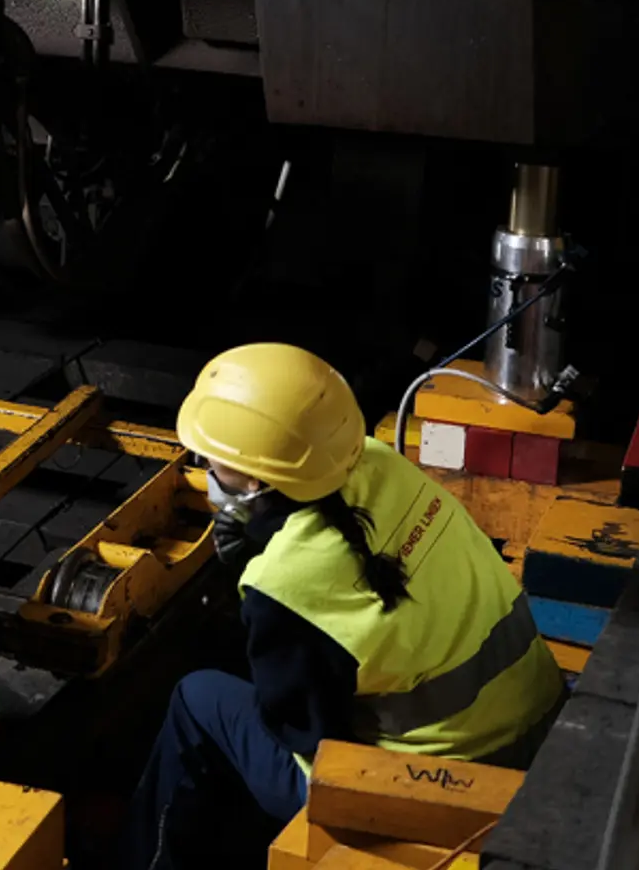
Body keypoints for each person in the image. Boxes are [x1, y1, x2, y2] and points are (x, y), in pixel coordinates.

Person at [126, 345, 564, 869]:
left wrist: (265, 590)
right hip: (537, 716)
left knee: (198, 699)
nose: (203, 464)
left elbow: (305, 735)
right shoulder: (381, 464)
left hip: (447, 783)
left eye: (214, 456)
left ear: (258, 479)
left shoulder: (285, 587)